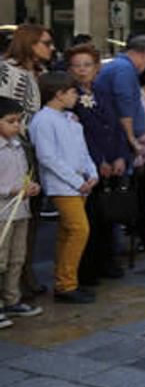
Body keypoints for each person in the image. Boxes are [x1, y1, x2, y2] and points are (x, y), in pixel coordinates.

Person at [30, 73, 100, 305]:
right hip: (62, 185)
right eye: (72, 92)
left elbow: (82, 150)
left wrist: (92, 172)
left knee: (67, 233)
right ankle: (66, 283)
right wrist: (76, 181)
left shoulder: (69, 118)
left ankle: (65, 281)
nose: (76, 97)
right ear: (59, 94)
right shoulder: (43, 120)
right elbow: (47, 157)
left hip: (80, 183)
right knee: (79, 230)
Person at [66, 45, 132, 286]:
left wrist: (120, 156)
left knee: (108, 216)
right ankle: (87, 270)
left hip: (112, 160)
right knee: (90, 220)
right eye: (77, 65)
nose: (82, 70)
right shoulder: (69, 96)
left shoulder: (102, 91)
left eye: (87, 65)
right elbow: (80, 134)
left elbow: (116, 126)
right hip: (87, 166)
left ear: (96, 68)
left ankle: (107, 261)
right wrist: (98, 161)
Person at [0, 98, 41, 326]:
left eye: (19, 121)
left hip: (21, 211)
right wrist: (12, 190)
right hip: (2, 212)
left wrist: (30, 186)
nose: (16, 126)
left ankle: (12, 300)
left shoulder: (19, 146)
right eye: (10, 121)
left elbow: (25, 174)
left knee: (17, 258)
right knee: (0, 259)